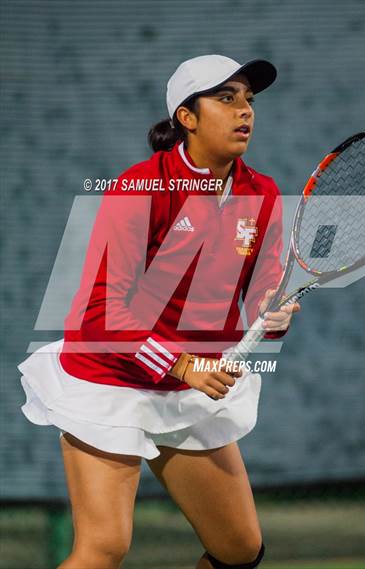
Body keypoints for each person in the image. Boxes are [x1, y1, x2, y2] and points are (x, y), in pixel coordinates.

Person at [18, 55, 300, 569]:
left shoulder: (262, 194)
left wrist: (272, 310)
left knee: (238, 552)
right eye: (226, 98)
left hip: (185, 387)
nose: (245, 112)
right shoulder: (138, 189)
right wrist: (185, 365)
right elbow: (102, 314)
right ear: (186, 119)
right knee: (103, 548)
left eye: (250, 101)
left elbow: (262, 286)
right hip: (108, 379)